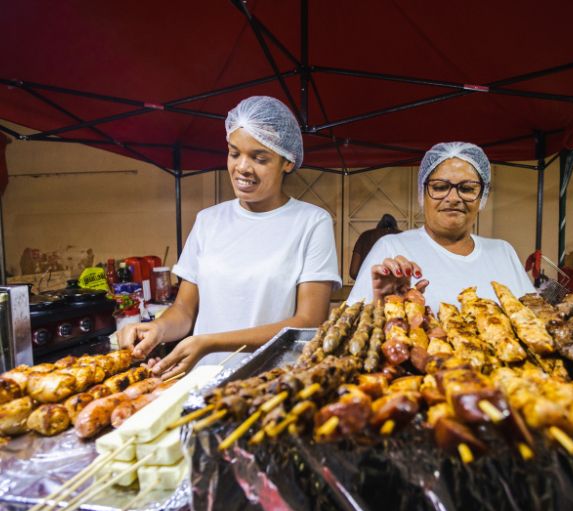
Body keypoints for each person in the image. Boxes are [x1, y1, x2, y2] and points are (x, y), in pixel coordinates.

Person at [118, 96, 341, 379]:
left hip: (271, 385)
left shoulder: (311, 222)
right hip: (202, 380)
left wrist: (211, 342)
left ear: (287, 162)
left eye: (259, 158)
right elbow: (185, 310)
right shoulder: (209, 221)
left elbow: (309, 322)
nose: (242, 168)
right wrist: (158, 329)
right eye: (234, 153)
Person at [347, 141, 534, 312]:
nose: (453, 198)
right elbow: (350, 330)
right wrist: (382, 311)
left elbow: (534, 318)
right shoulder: (392, 249)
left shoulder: (502, 252)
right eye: (439, 187)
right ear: (423, 193)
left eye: (467, 188)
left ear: (482, 197)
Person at [349, 213, 401, 279]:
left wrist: (365, 280)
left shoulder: (365, 236)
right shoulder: (402, 236)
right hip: (396, 286)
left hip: (368, 286)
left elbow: (353, 272)